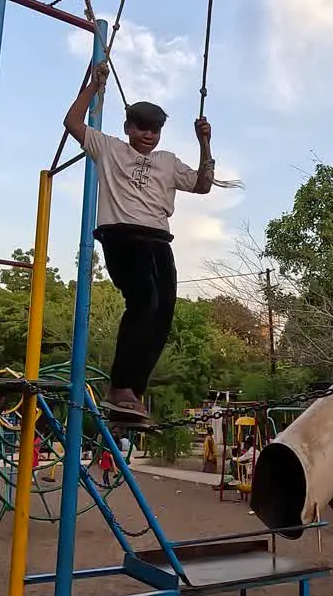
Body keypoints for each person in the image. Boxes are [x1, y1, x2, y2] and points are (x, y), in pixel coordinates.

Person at [63, 61, 229, 422]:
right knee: (144, 300)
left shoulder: (167, 161)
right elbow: (73, 123)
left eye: (155, 130)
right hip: (122, 235)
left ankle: (132, 392)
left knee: (164, 311)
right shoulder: (109, 148)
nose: (149, 135)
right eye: (142, 128)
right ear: (128, 128)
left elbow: (202, 185)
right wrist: (94, 86)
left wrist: (205, 141)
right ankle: (120, 386)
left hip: (158, 241)